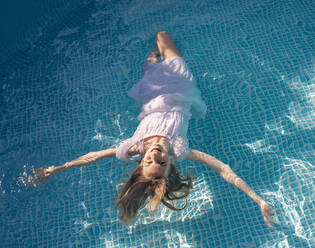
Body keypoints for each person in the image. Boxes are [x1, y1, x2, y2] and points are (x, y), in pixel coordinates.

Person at [30, 31, 279, 228]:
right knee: (162, 36)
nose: (157, 154)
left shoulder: (133, 147)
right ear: (170, 166)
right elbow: (223, 168)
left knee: (152, 59)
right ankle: (158, 51)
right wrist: (257, 199)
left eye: (150, 160)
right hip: (179, 86)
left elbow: (93, 157)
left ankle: (153, 57)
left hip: (153, 92)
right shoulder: (180, 149)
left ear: (140, 163)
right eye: (162, 162)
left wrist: (56, 168)